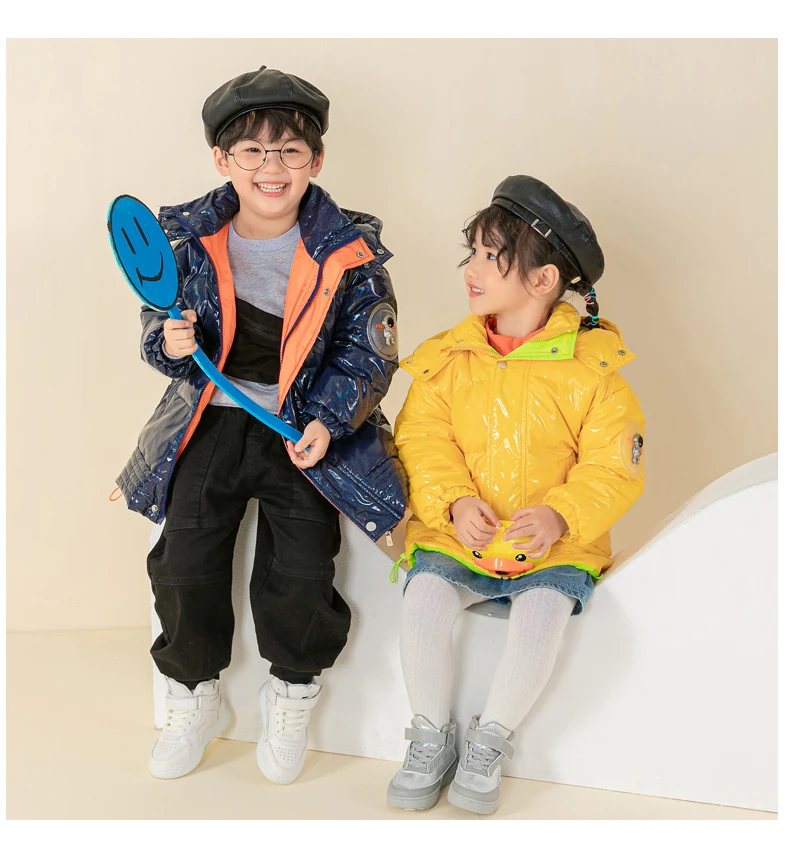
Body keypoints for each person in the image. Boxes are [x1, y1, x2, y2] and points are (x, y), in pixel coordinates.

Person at [115, 65, 406, 784]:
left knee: (303, 563)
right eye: (252, 150)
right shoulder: (186, 237)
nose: (271, 168)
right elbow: (156, 328)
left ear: (317, 160)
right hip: (207, 423)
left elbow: (368, 352)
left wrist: (329, 420)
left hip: (298, 429)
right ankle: (192, 694)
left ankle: (292, 693)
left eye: (290, 151)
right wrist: (169, 342)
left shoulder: (350, 249)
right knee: (183, 558)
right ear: (222, 160)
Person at [387, 176, 645, 814]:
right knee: (423, 599)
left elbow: (612, 466)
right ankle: (429, 735)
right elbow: (422, 438)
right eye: (471, 253)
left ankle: (490, 741)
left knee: (541, 616)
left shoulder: (595, 373)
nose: (471, 270)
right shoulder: (448, 360)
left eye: (490, 257)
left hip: (554, 547)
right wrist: (452, 502)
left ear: (543, 279)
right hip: (460, 537)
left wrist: (561, 515)